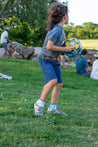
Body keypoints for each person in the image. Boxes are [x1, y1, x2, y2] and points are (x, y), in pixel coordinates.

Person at [34, 3, 74, 117]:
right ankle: (39, 104)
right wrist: (64, 48)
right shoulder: (56, 29)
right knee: (52, 81)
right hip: (45, 59)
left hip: (54, 60)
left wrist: (71, 48)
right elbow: (49, 46)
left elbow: (62, 44)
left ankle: (52, 108)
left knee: (59, 83)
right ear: (65, 16)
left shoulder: (61, 31)